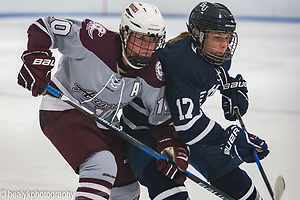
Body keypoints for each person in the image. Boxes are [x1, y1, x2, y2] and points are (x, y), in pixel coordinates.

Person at [16, 2, 190, 199]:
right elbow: (45, 26)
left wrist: (169, 145)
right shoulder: (94, 40)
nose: (145, 49)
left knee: (127, 189)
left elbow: (160, 120)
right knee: (101, 166)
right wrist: (37, 56)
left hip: (104, 122)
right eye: (140, 40)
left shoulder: (152, 74)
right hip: (63, 107)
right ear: (125, 33)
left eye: (152, 42)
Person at [156, 1, 270, 199]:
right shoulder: (181, 61)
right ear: (197, 34)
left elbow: (212, 78)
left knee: (226, 168)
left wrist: (229, 89)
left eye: (227, 38)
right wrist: (228, 137)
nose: (224, 45)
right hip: (153, 127)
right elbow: (188, 127)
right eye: (217, 38)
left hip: (180, 123)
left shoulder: (220, 56)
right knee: (170, 185)